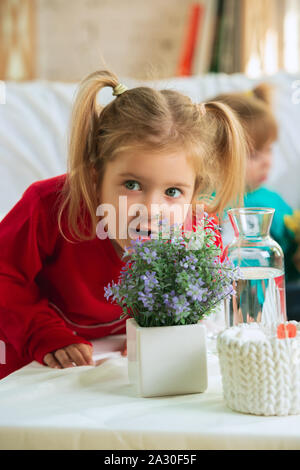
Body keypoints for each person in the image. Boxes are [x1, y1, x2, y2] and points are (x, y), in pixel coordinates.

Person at [0, 68, 247, 379]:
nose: (151, 210)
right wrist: (43, 332)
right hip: (35, 348)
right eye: (132, 185)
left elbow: (209, 297)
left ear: (194, 194)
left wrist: (162, 330)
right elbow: (4, 274)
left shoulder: (196, 231)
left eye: (172, 192)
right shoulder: (50, 206)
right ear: (94, 177)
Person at [212, 84, 300, 284]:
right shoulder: (206, 203)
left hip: (278, 296)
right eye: (253, 155)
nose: (267, 161)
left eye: (269, 150)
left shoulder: (271, 201)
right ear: (215, 156)